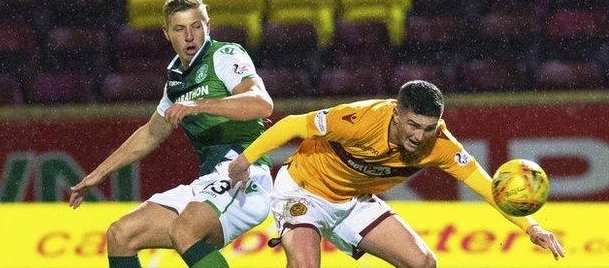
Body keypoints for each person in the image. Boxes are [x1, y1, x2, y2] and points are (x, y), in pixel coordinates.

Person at [228, 80, 565, 268]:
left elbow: (488, 186)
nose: (420, 136)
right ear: (396, 113)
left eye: (429, 128)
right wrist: (244, 160)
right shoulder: (359, 119)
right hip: (302, 190)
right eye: (414, 125)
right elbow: (291, 124)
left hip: (354, 201)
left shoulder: (441, 145)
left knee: (423, 265)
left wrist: (531, 226)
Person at [68, 0, 274, 268]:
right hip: (209, 181)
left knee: (184, 230)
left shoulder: (224, 55)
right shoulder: (176, 81)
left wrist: (200, 105)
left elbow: (262, 104)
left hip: (245, 175)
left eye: (196, 26)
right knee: (120, 235)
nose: (189, 36)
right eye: (180, 29)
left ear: (208, 26)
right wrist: (97, 174)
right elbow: (151, 133)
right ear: (167, 33)